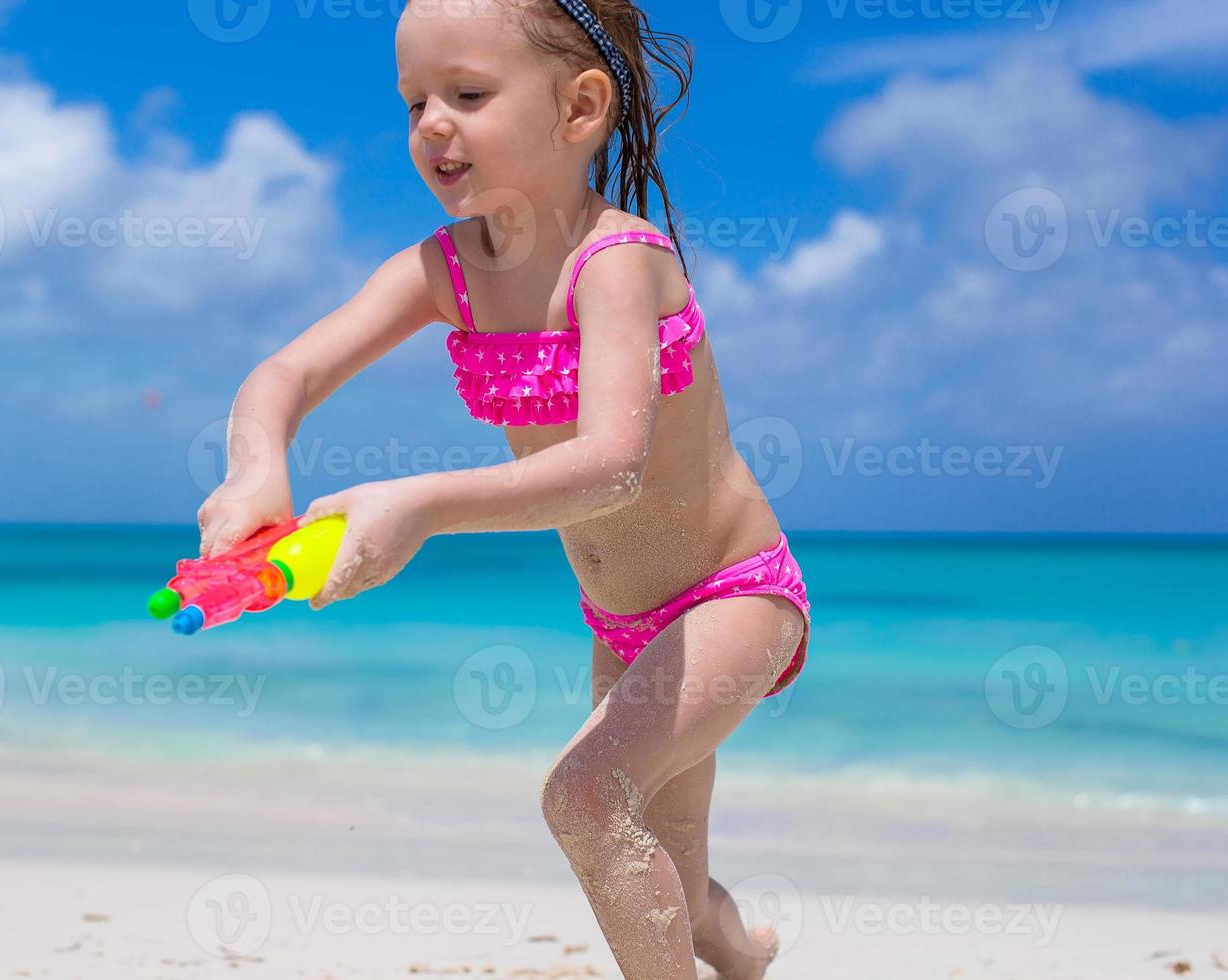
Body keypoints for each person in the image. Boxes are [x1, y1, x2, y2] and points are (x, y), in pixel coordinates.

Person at [196, 2, 809, 976]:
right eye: (413, 103)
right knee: (674, 888)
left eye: (468, 94)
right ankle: (745, 949)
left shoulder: (618, 264)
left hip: (732, 595)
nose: (432, 123)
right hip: (622, 622)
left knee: (587, 798)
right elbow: (285, 376)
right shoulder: (446, 270)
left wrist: (420, 506)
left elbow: (614, 464)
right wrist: (255, 466)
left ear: (579, 109)